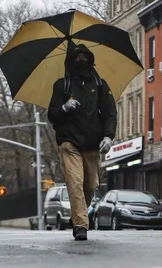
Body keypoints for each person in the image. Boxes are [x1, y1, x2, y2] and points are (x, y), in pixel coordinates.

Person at [47, 44, 117, 241]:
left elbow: (110, 113)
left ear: (90, 59)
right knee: (75, 182)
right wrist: (64, 107)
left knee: (90, 186)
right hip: (69, 143)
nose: (81, 61)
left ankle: (78, 216)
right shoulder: (62, 86)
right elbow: (52, 115)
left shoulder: (101, 85)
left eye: (84, 57)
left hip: (93, 144)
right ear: (70, 61)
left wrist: (108, 136)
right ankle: (81, 226)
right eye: (76, 57)